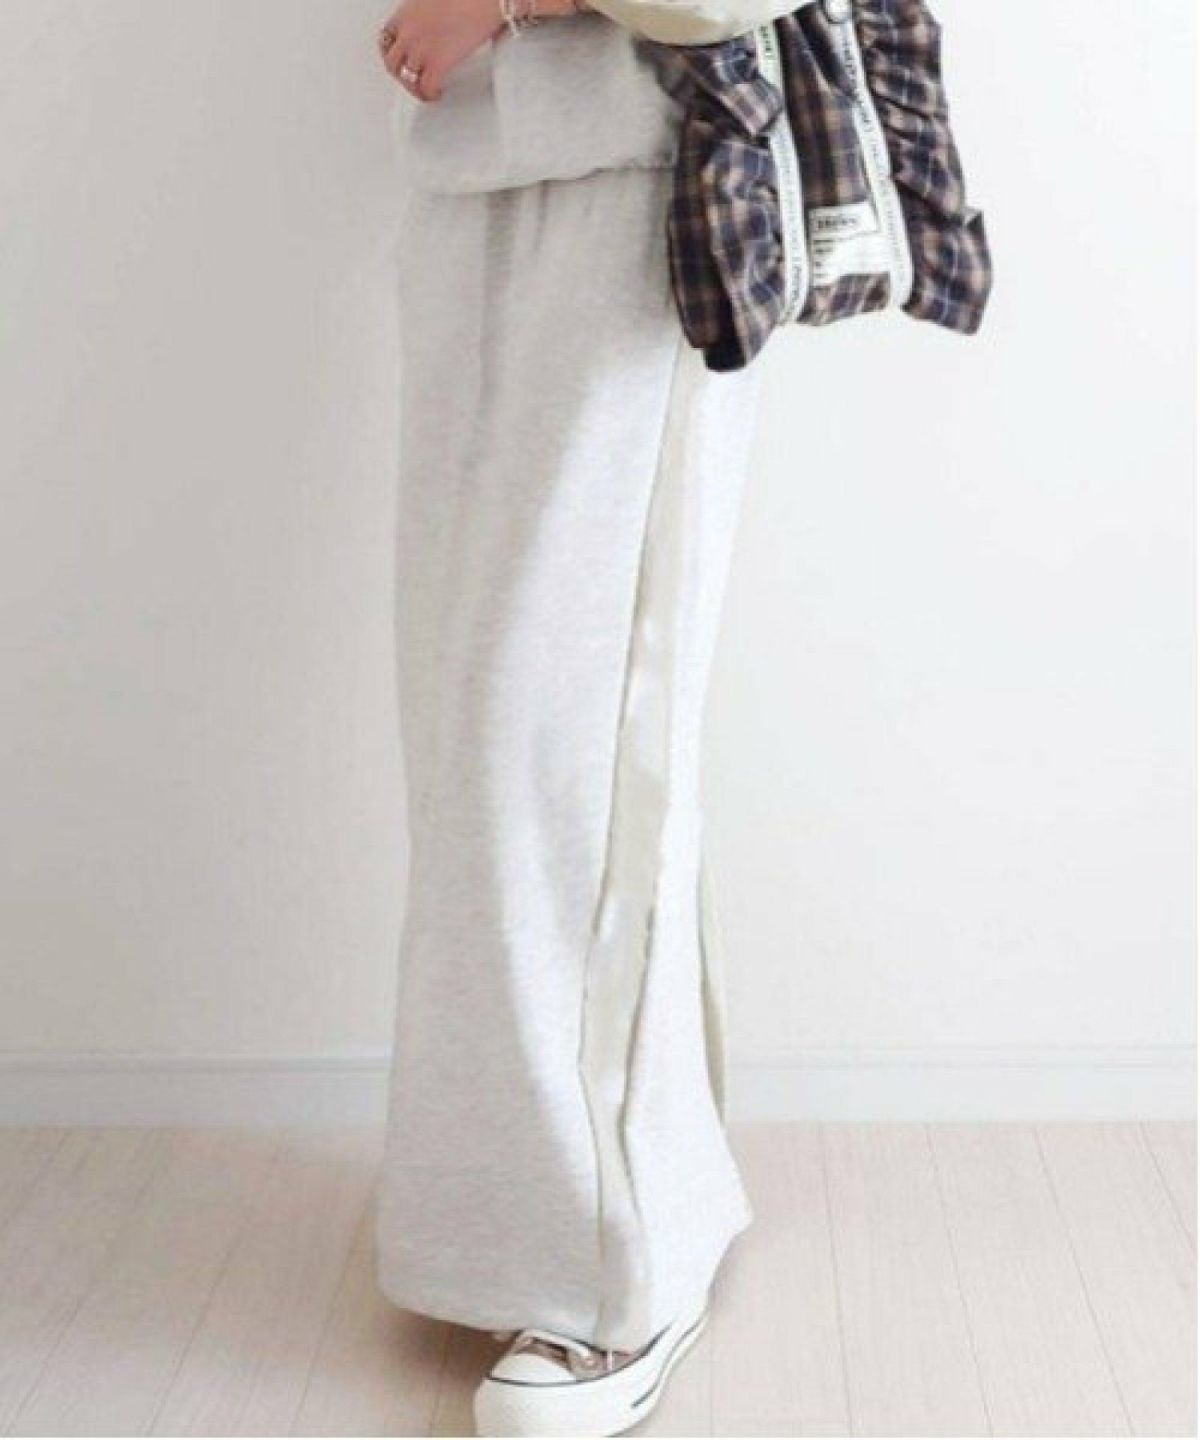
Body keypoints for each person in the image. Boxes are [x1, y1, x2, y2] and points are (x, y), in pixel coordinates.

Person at [373, 0, 793, 1432]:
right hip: (473, 170)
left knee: (556, 741)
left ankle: (614, 1278)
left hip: (653, 192)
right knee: (489, 746)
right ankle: (571, 1205)